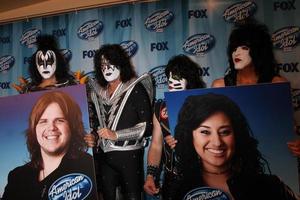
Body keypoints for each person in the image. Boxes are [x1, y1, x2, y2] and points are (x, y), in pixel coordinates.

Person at [174, 93, 299, 200]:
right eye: (205, 132)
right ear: (189, 136)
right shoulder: (179, 189)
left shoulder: (271, 185)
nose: (217, 142)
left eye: (225, 132)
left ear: (237, 135)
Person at [211, 19, 300, 158]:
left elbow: (288, 126)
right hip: (231, 159)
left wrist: (296, 142)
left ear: (258, 51)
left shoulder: (277, 84)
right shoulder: (220, 86)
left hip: (271, 156)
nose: (237, 53)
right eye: (234, 48)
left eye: (244, 48)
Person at [2, 91, 98, 200]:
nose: (51, 127)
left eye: (59, 120)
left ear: (72, 127)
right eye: (43, 121)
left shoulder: (88, 166)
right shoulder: (17, 176)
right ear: (34, 129)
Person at [87, 44, 153, 200]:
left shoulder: (135, 88)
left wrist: (116, 135)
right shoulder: (97, 92)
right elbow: (96, 124)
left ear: (121, 64)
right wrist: (94, 138)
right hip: (105, 161)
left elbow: (147, 127)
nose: (107, 69)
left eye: (111, 64)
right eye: (103, 65)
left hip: (130, 158)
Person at [143, 54, 205, 199]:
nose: (171, 81)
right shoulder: (160, 107)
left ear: (189, 80)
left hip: (202, 177)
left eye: (177, 77)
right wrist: (150, 176)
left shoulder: (205, 103)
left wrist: (186, 139)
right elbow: (156, 145)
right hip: (173, 179)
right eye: (169, 77)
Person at [12, 34, 78, 93]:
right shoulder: (30, 91)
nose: (45, 66)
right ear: (35, 65)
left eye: (49, 62)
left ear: (57, 62)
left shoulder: (69, 85)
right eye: (41, 62)